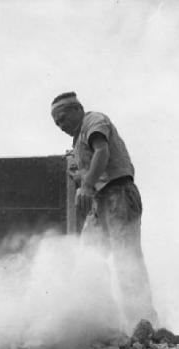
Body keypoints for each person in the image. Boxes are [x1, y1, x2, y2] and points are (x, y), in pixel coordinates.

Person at [51, 91, 158, 327]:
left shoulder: (94, 121)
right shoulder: (78, 140)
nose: (60, 126)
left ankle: (144, 325)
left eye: (62, 119)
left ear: (77, 110)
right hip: (101, 202)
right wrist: (81, 177)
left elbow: (102, 151)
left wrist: (87, 184)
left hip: (118, 194)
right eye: (56, 123)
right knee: (89, 259)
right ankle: (103, 323)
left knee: (125, 259)